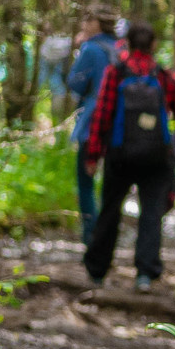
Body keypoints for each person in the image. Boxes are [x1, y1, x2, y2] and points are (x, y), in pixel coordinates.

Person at [82, 21, 175, 292]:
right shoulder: (165, 77)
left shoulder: (115, 73)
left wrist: (93, 155)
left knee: (110, 211)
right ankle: (145, 273)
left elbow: (101, 116)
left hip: (120, 156)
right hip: (157, 159)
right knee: (151, 214)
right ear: (154, 45)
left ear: (128, 43)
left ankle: (97, 272)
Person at [66, 13, 120, 244]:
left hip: (92, 123)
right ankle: (108, 235)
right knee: (112, 184)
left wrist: (79, 51)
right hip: (119, 125)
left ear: (96, 24)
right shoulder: (120, 48)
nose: (83, 23)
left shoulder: (90, 49)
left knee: (86, 182)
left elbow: (75, 83)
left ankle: (91, 235)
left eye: (87, 20)